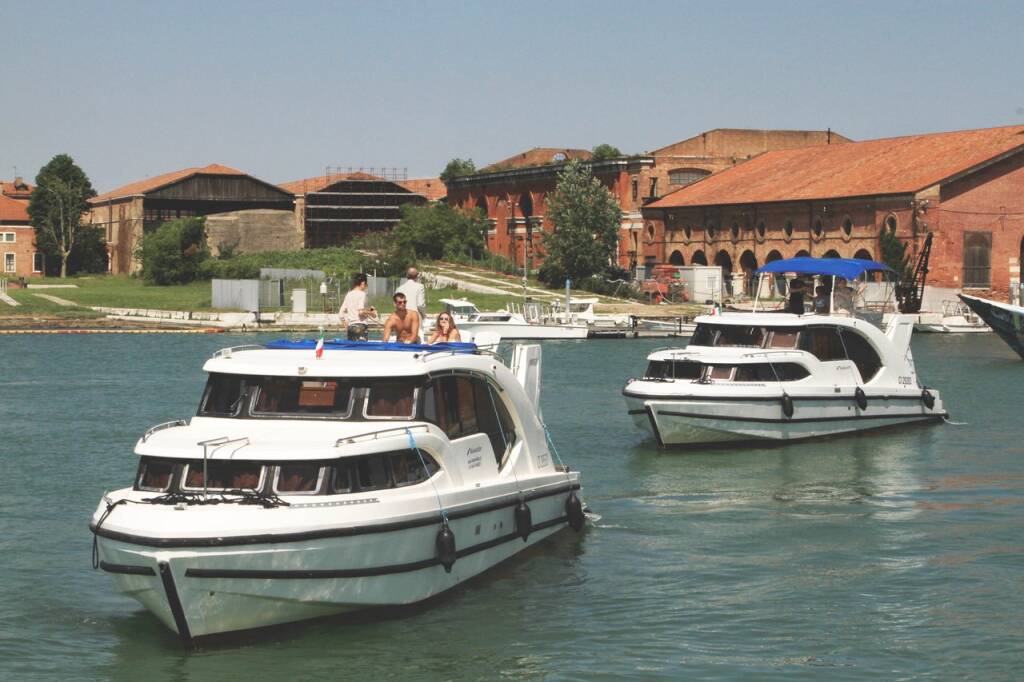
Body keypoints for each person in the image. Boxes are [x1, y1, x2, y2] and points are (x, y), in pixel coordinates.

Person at [339, 273, 376, 341]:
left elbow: (341, 313)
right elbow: (360, 312)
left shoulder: (349, 294)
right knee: (361, 347)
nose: (366, 287)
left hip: (350, 327)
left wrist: (345, 325)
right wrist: (371, 312)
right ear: (363, 283)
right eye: (366, 285)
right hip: (360, 327)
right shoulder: (362, 294)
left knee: (352, 347)